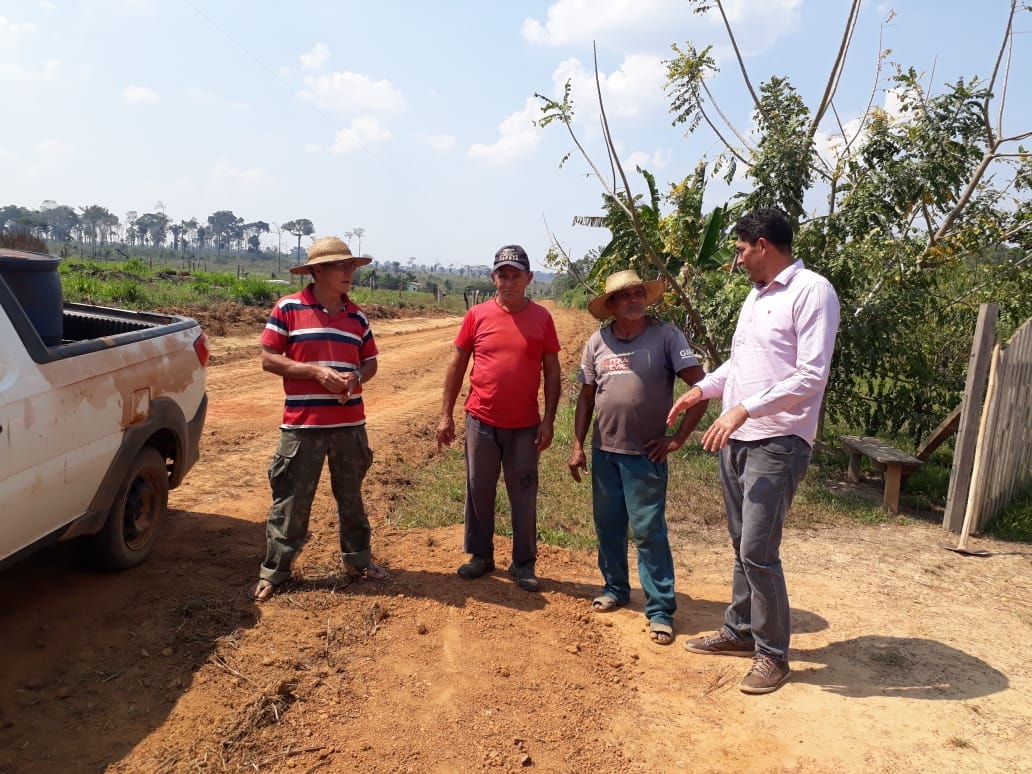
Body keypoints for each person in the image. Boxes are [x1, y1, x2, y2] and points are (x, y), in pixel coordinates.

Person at [667, 208, 840, 693]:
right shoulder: (756, 297)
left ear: (763, 244)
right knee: (743, 544)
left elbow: (810, 376)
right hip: (738, 439)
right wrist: (701, 391)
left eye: (741, 249)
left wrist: (744, 409)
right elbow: (740, 365)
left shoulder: (812, 292)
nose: (738, 259)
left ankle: (773, 655)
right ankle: (740, 631)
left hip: (779, 439)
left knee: (759, 551)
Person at [568, 270, 709, 646]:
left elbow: (701, 388)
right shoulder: (597, 342)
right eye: (625, 295)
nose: (634, 299)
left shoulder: (666, 336)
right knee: (608, 525)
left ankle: (660, 609)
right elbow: (585, 397)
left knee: (649, 531)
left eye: (639, 293)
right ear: (610, 306)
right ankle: (615, 587)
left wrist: (679, 436)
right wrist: (578, 445)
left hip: (645, 455)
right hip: (604, 453)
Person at [249, 236, 388, 602]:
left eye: (351, 266)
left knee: (352, 498)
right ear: (316, 271)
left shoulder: (358, 316)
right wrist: (313, 372)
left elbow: (370, 362)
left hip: (349, 425)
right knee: (291, 502)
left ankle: (359, 561)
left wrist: (356, 377)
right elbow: (268, 358)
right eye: (340, 266)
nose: (349, 272)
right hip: (302, 426)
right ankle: (275, 571)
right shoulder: (289, 308)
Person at [437, 244, 561, 592]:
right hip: (481, 420)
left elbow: (552, 372)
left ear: (528, 279)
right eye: (502, 275)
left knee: (523, 491)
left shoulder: (542, 319)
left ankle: (523, 562)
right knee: (479, 488)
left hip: (524, 424)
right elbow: (457, 364)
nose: (508, 282)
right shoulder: (477, 315)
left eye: (515, 275)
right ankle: (481, 555)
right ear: (493, 278)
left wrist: (548, 420)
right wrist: (445, 415)